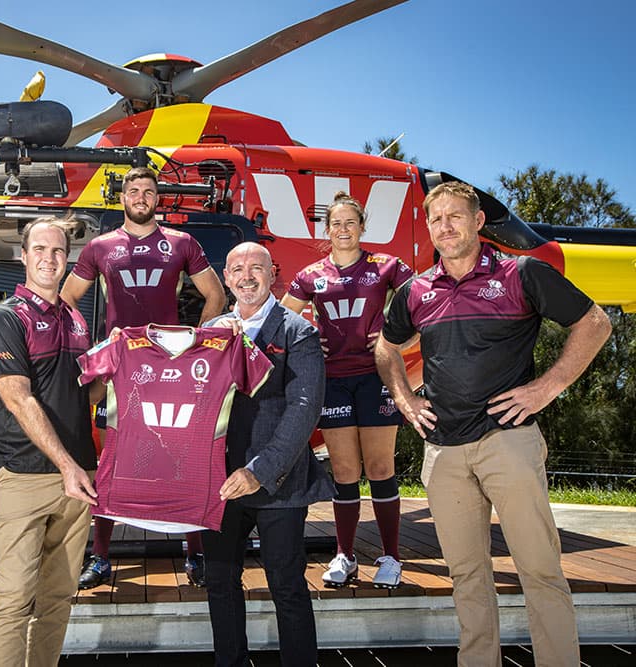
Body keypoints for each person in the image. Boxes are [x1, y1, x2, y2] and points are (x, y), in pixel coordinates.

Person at [375, 181, 612, 667]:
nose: (445, 226)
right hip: (444, 451)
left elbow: (595, 323)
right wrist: (403, 398)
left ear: (478, 221)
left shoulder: (522, 274)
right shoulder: (415, 290)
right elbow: (385, 347)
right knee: (466, 575)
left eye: (455, 216)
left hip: (509, 443)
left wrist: (546, 389)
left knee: (539, 570)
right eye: (436, 218)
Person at [60, 165, 226, 589]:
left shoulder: (181, 242)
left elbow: (215, 295)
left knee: (181, 457)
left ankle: (196, 554)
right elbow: (66, 300)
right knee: (109, 461)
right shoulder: (100, 246)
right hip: (121, 368)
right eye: (133, 190)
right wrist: (91, 344)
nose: (140, 197)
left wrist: (194, 344)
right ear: (122, 198)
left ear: (157, 198)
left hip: (169, 367)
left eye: (148, 191)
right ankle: (99, 558)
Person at [203, 242, 333, 667]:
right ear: (226, 278)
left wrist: (260, 471)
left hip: (279, 484)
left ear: (272, 273)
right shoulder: (214, 332)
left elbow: (303, 409)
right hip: (221, 484)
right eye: (237, 268)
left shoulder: (300, 332)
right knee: (220, 581)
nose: (246, 276)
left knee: (287, 584)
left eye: (255, 267)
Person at [0, 218, 100, 667]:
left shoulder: (74, 318)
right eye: (40, 249)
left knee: (58, 598)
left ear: (66, 258)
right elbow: (18, 397)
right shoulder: (6, 317)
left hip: (77, 478)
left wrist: (124, 371)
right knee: (13, 599)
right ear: (24, 256)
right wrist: (68, 466)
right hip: (25, 476)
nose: (49, 258)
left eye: (57, 251)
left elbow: (77, 393)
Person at [281, 191, 412, 589]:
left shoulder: (385, 266)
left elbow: (425, 303)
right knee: (344, 471)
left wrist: (395, 339)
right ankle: (346, 555)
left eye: (350, 223)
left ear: (362, 227)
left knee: (379, 469)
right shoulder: (311, 274)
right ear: (327, 229)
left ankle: (390, 557)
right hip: (333, 379)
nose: (342, 230)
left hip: (376, 377)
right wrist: (307, 338)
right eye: (335, 224)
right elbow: (283, 319)